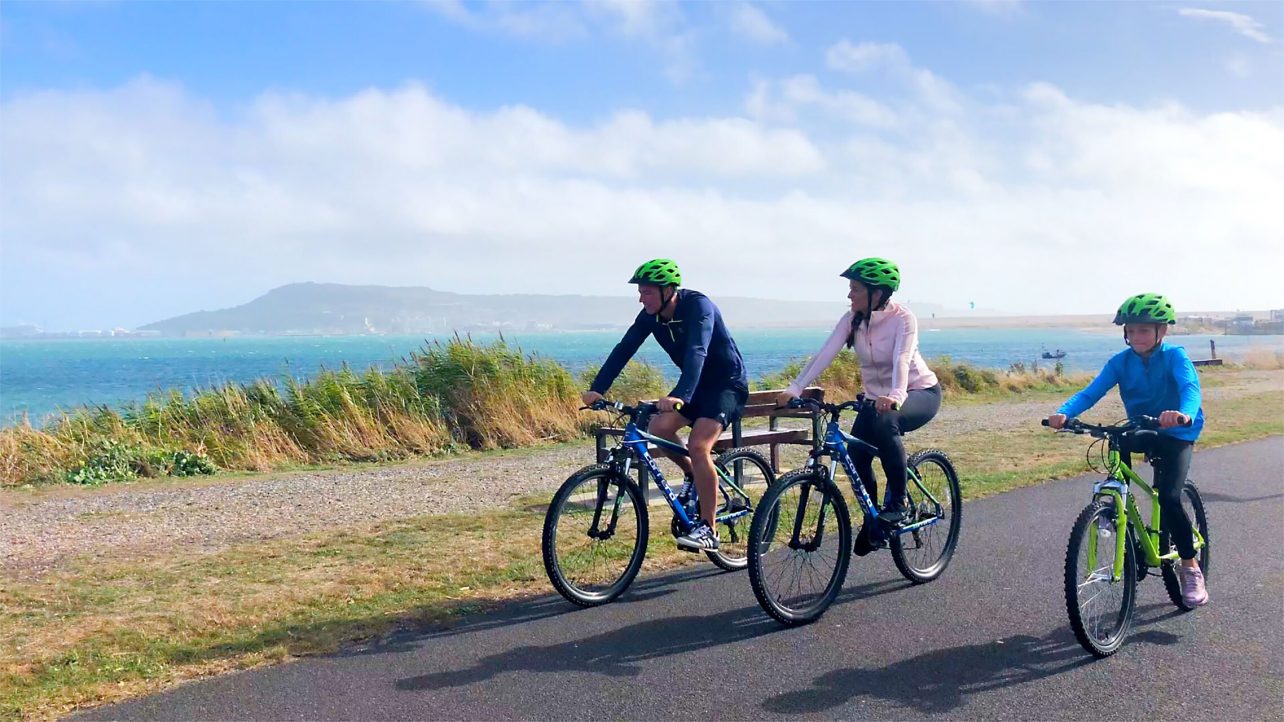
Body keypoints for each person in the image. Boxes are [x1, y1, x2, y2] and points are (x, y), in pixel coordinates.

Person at [1046, 293, 1208, 606]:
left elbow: (1190, 390)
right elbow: (1091, 392)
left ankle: (1190, 567)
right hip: (1140, 427)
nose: (1136, 337)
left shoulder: (1176, 356)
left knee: (1169, 496)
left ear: (1163, 331)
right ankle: (1117, 507)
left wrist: (1182, 413)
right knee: (1114, 438)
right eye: (1131, 331)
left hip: (1177, 431)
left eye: (1144, 330)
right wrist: (1064, 413)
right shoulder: (1120, 362)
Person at [776, 258, 941, 555]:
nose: (849, 295)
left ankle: (897, 503)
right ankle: (873, 520)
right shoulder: (852, 319)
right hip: (875, 399)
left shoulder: (903, 318)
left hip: (918, 392)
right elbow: (825, 353)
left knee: (885, 423)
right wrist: (795, 387)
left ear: (877, 293)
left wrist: (896, 396)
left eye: (855, 289)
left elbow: (901, 359)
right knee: (857, 455)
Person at [581, 259, 749, 552]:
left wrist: (680, 394)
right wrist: (598, 388)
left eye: (647, 292)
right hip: (695, 387)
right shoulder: (650, 316)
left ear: (667, 290)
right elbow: (624, 349)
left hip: (726, 385)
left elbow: (698, 350)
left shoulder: (698, 307)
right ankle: (692, 473)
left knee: (699, 446)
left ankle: (709, 530)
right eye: (641, 292)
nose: (641, 298)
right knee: (659, 427)